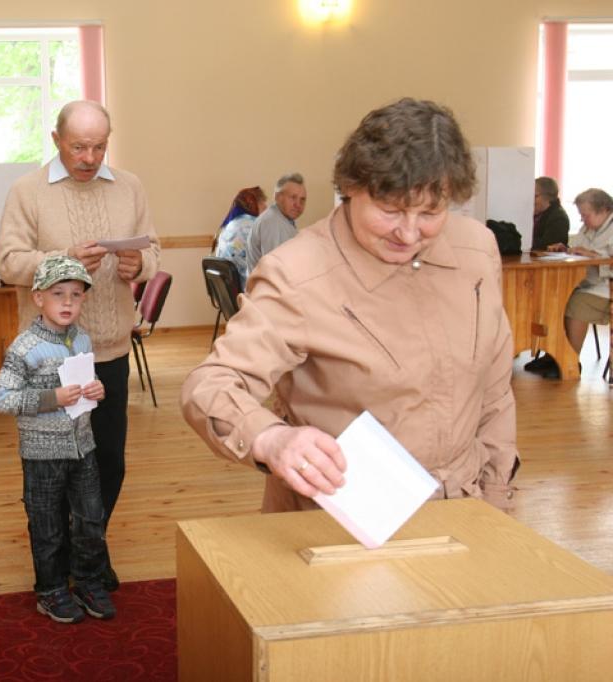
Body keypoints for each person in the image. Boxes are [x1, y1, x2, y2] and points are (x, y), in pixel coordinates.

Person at [181, 98, 519, 515]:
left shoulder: (477, 251)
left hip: (467, 507)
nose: (410, 233)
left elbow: (495, 391)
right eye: (390, 209)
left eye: (431, 212)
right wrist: (271, 439)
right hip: (343, 517)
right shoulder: (296, 273)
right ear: (350, 188)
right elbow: (211, 384)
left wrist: (497, 494)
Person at [0, 100, 160, 591]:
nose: (89, 157)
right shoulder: (28, 191)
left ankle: (89, 549)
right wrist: (63, 259)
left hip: (109, 350)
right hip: (51, 356)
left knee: (107, 462)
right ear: (56, 140)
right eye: (78, 147)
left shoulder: (129, 186)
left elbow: (151, 247)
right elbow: (9, 262)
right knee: (58, 466)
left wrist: (141, 266)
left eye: (99, 146)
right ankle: (60, 557)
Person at [0, 255, 115, 624]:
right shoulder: (24, 348)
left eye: (76, 295)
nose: (67, 302)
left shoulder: (82, 339)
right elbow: (0, 399)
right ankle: (51, 589)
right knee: (47, 524)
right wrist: (51, 399)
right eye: (58, 293)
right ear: (38, 298)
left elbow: (85, 391)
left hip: (83, 447)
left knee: (91, 518)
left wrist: (97, 390)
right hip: (43, 454)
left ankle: (89, 580)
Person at [528, 188, 613, 379]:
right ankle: (553, 355)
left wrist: (591, 255)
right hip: (585, 283)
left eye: (586, 215)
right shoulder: (589, 228)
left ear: (604, 210)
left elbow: (600, 257)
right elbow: (580, 249)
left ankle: (570, 360)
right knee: (553, 299)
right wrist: (566, 249)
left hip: (606, 288)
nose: (582, 220)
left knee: (575, 303)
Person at [245, 172, 307, 274]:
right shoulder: (273, 223)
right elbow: (276, 272)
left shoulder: (280, 219)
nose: (298, 204)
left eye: (302, 200)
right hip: (268, 288)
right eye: (293, 197)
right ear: (278, 197)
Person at [213, 186, 267, 288]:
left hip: (233, 292)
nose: (266, 208)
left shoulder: (228, 227)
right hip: (251, 292)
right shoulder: (254, 227)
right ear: (255, 204)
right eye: (263, 203)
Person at [532, 177, 570, 252]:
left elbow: (546, 245)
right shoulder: (537, 214)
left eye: (535, 196)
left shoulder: (559, 218)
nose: (531, 199)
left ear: (547, 196)